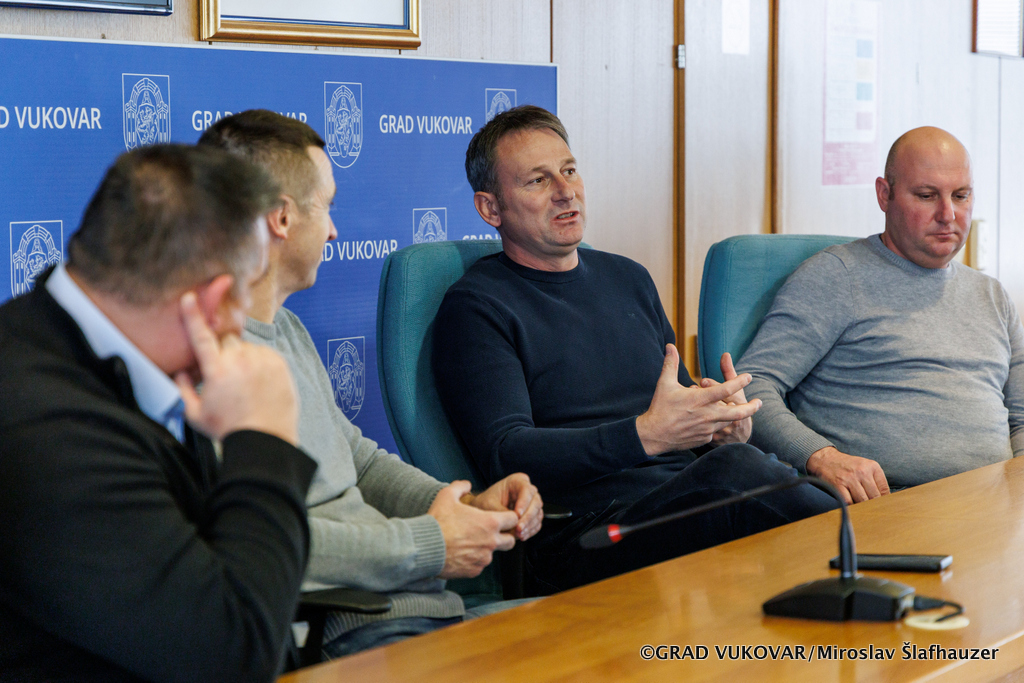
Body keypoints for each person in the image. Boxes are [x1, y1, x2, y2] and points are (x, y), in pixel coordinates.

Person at [432, 105, 837, 593]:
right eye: (538, 181)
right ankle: (868, 558)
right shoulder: (476, 306)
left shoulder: (628, 277)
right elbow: (506, 452)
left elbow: (679, 408)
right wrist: (644, 436)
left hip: (683, 500)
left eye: (569, 171)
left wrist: (719, 427)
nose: (565, 191)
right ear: (490, 209)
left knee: (744, 467)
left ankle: (858, 570)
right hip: (581, 536)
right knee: (738, 474)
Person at [197, 110, 543, 658]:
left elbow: (356, 460)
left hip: (420, 609)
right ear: (282, 218)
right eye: (326, 207)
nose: (334, 230)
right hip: (349, 632)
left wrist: (464, 506)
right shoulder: (200, 363)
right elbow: (267, 541)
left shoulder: (287, 329)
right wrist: (432, 543)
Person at [0, 144, 317, 682]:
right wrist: (263, 442)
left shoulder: (102, 356)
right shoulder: (45, 430)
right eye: (248, 291)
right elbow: (233, 659)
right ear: (216, 303)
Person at [738, 126, 1024, 504]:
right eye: (927, 196)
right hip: (887, 506)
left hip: (993, 508)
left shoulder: (992, 295)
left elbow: (1021, 417)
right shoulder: (836, 277)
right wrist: (821, 456)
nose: (948, 214)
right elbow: (750, 386)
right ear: (884, 195)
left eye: (961, 195)